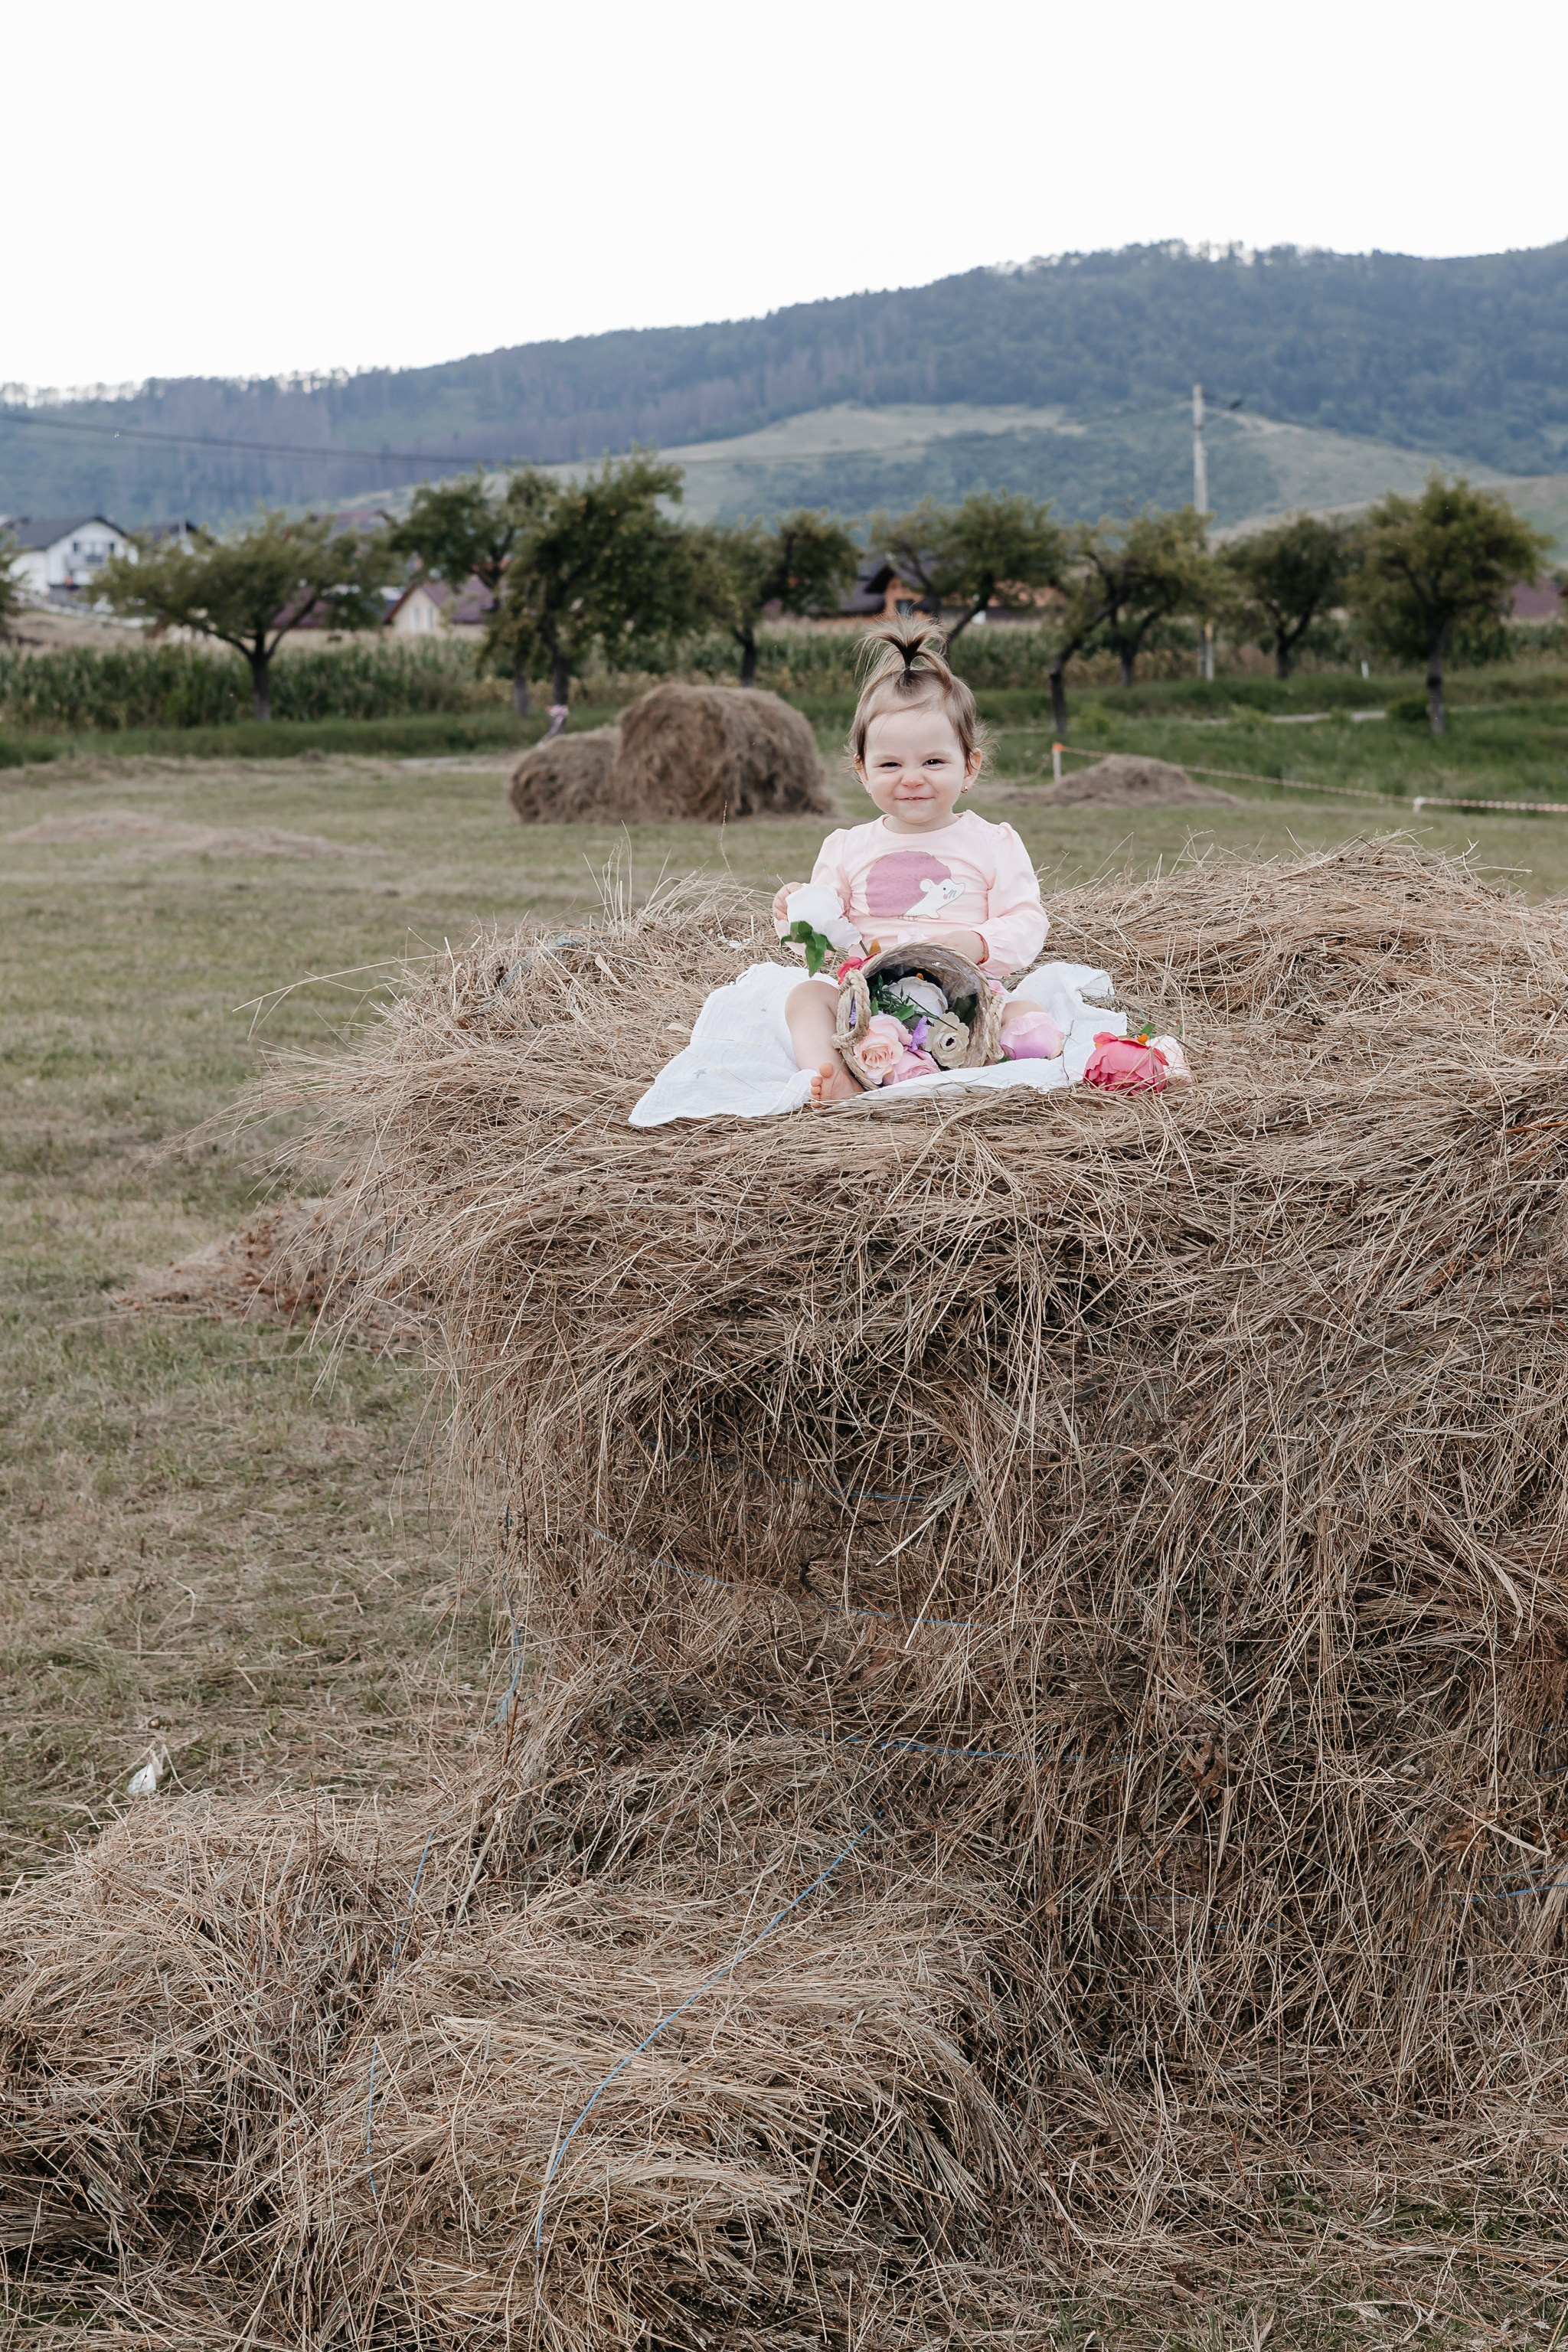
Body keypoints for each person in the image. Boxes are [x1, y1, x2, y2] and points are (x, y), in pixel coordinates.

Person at [772, 625, 1050, 1104]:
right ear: (861, 771)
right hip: (869, 999)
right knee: (805, 999)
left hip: (969, 997)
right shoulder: (846, 847)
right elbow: (818, 943)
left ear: (970, 766)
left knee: (1027, 1017)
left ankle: (983, 1057)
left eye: (934, 762)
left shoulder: (991, 842)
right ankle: (840, 1073)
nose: (912, 780)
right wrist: (797, 914)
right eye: (890, 765)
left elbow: (1028, 921)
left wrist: (979, 942)